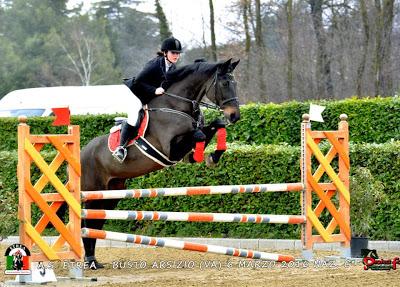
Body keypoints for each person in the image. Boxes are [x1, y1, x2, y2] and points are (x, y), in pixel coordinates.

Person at [113, 36, 183, 163]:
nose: (176, 56)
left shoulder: (172, 67)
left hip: (150, 96)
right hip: (135, 92)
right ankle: (121, 148)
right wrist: (154, 90)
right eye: (173, 53)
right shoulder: (155, 64)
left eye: (178, 53)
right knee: (134, 119)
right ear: (165, 52)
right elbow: (139, 81)